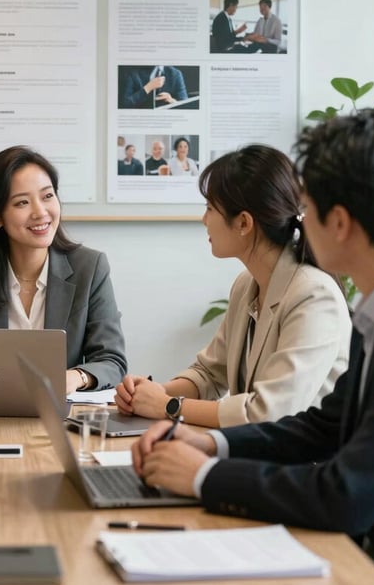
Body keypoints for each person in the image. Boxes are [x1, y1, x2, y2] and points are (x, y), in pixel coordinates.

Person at [131, 109, 374, 585]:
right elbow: (323, 425)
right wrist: (211, 444)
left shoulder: (336, 300)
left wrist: (203, 475)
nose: (298, 220)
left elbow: (347, 495)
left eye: (307, 207)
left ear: (339, 222)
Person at [116, 144, 350, 428]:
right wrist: (149, 395)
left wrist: (167, 406)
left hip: (304, 455)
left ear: (243, 223)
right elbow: (209, 373)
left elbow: (269, 413)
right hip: (255, 448)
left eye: (209, 208)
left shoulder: (314, 297)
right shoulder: (246, 285)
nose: (204, 220)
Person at [0, 146, 127, 393]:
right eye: (22, 202)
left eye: (47, 196)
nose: (40, 212)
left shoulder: (89, 268)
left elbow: (112, 361)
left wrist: (76, 377)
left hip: (61, 412)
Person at [120, 65, 188, 108]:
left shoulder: (175, 74)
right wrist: (148, 88)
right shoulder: (133, 73)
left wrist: (171, 100)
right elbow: (125, 104)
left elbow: (185, 105)